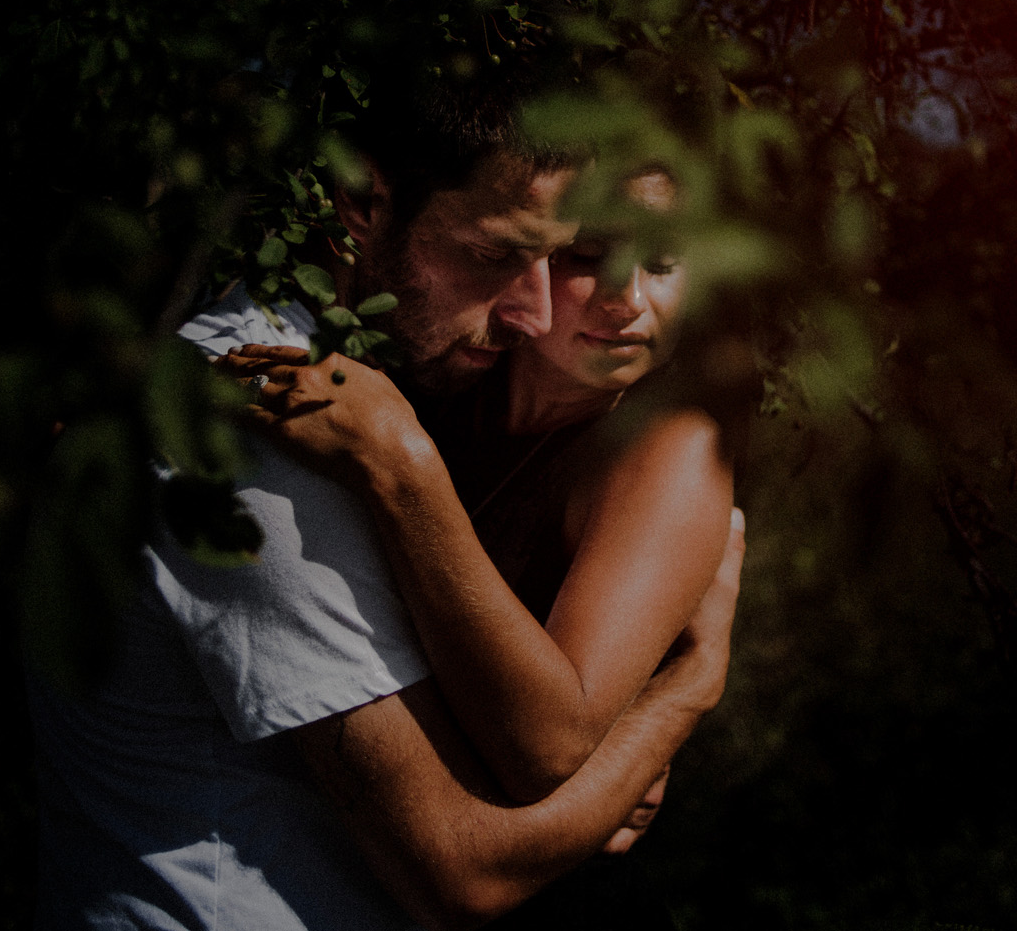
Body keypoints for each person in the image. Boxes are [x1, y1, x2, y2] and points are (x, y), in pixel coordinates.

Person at [28, 83, 743, 931]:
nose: (542, 306)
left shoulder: (640, 445)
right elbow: (466, 865)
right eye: (519, 256)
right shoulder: (339, 415)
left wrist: (675, 694)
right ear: (365, 205)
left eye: (660, 259)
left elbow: (550, 748)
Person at [231, 165, 732, 827]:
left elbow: (549, 749)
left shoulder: (669, 448)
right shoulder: (443, 372)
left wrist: (401, 465)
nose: (629, 298)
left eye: (663, 261)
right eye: (585, 256)